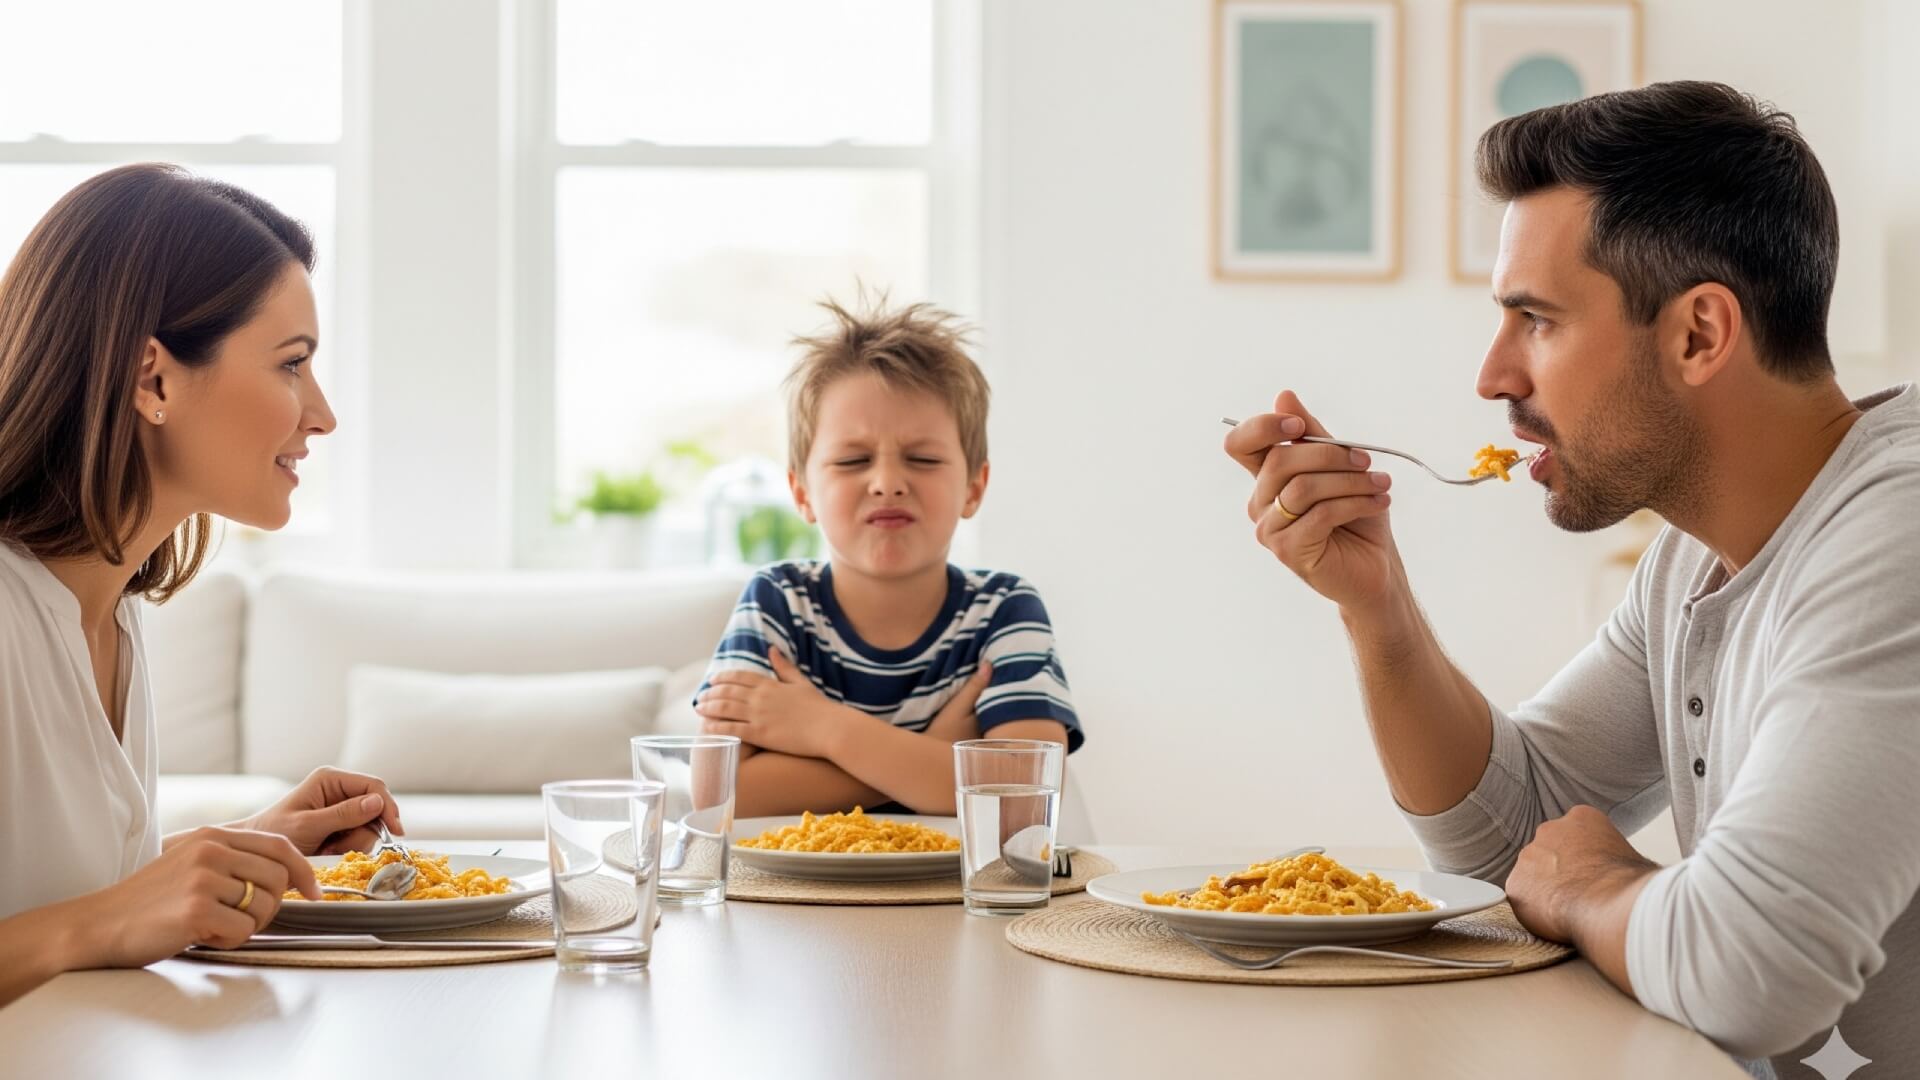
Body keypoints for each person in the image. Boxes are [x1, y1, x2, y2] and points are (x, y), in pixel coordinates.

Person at [1223, 82, 1918, 1079]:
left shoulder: (1897, 533)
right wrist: (1378, 606)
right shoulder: (1693, 554)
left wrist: (1595, 884)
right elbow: (1510, 837)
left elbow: (1750, 968)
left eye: (1536, 320)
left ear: (1699, 335)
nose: (1493, 375)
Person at [0, 164, 406, 1007]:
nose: (321, 413)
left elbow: (42, 895)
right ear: (153, 378)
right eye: (292, 364)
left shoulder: (113, 611)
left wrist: (243, 849)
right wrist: (106, 921)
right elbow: (80, 924)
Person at [694, 297, 1083, 816]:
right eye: (853, 460)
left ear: (973, 487)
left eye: (922, 459)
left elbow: (1023, 800)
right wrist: (941, 756)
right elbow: (720, 798)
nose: (887, 483)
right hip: (795, 896)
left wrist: (821, 727)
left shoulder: (1005, 608)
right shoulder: (777, 600)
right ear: (802, 492)